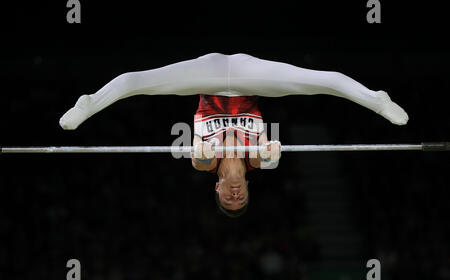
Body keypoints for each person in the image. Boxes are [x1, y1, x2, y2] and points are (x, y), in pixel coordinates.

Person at [59, 53, 409, 217]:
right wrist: (271, 152)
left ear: (218, 189)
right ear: (247, 192)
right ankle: (376, 100)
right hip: (247, 77)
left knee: (134, 81)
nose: (235, 194)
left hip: (206, 77)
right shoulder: (256, 161)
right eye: (240, 200)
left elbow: (200, 158)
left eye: (228, 199)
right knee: (325, 80)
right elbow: (268, 157)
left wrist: (199, 150)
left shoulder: (205, 166)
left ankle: (88, 102)